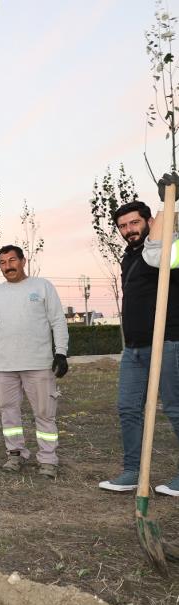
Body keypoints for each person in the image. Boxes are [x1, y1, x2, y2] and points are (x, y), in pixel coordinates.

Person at [100, 174, 179, 495]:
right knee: (128, 408)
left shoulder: (167, 248)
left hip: (168, 342)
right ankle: (133, 471)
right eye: (122, 226)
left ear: (148, 222)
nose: (129, 230)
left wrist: (168, 203)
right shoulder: (128, 256)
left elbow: (164, 253)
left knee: (174, 408)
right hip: (133, 349)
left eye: (134, 223)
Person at [0, 244, 69, 480]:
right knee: (8, 413)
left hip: (38, 364)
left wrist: (61, 353)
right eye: (3, 263)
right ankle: (15, 454)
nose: (8, 266)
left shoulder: (42, 286)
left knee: (45, 413)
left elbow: (58, 320)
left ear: (23, 261)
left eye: (12, 260)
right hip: (3, 366)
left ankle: (47, 459)